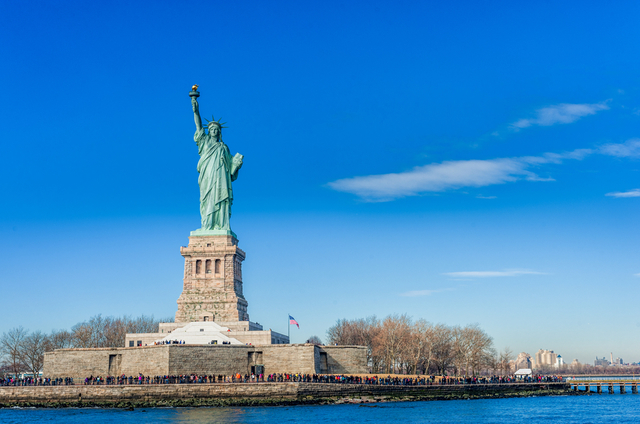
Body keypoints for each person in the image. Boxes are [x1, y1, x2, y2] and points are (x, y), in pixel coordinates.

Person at [191, 94, 243, 232]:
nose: (213, 131)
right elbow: (198, 124)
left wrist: (236, 165)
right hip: (207, 176)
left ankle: (221, 225)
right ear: (208, 131)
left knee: (220, 199)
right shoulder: (204, 142)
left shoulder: (224, 148)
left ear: (219, 132)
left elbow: (231, 170)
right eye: (211, 129)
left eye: (216, 129)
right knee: (207, 199)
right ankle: (207, 226)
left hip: (221, 179)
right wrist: (195, 108)